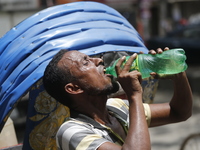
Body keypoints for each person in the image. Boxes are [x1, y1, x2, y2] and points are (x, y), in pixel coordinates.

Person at [43, 47, 192, 150]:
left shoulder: (116, 106)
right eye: (86, 62)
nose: (99, 60)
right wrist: (134, 95)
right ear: (75, 88)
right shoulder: (72, 132)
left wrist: (178, 75)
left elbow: (179, 112)